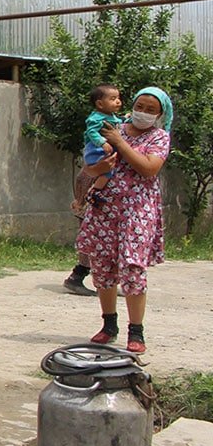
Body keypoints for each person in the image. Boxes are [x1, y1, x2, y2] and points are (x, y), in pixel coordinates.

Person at [76, 87, 172, 354]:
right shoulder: (113, 127)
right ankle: (109, 325)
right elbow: (90, 166)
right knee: (102, 267)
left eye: (151, 109)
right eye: (140, 106)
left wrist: (120, 143)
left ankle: (136, 331)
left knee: (132, 268)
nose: (143, 112)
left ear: (161, 114)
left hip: (137, 211)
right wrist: (99, 168)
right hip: (105, 207)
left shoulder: (159, 137)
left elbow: (149, 168)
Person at [83, 84, 124, 198]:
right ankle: (95, 192)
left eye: (118, 98)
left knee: (109, 170)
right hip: (95, 149)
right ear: (100, 104)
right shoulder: (95, 118)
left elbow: (120, 122)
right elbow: (91, 132)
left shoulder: (112, 116)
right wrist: (102, 143)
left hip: (105, 149)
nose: (118, 101)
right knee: (107, 171)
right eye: (113, 99)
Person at [63, 168, 98, 296]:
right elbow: (83, 178)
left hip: (95, 208)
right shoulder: (99, 160)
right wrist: (81, 201)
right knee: (90, 246)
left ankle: (108, 284)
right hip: (91, 209)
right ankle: (76, 277)